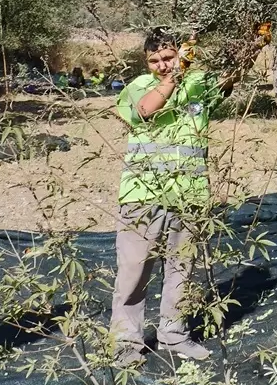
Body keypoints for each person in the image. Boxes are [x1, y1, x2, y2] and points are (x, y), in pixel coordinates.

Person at [110, 24, 267, 367]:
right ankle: (126, 341)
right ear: (146, 62)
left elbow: (231, 80)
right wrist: (171, 79)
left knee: (182, 269)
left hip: (190, 197)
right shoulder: (138, 87)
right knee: (134, 271)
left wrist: (256, 42)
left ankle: (173, 334)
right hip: (142, 197)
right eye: (155, 60)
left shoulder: (199, 84)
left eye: (168, 57)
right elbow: (146, 111)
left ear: (180, 54)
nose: (163, 65)